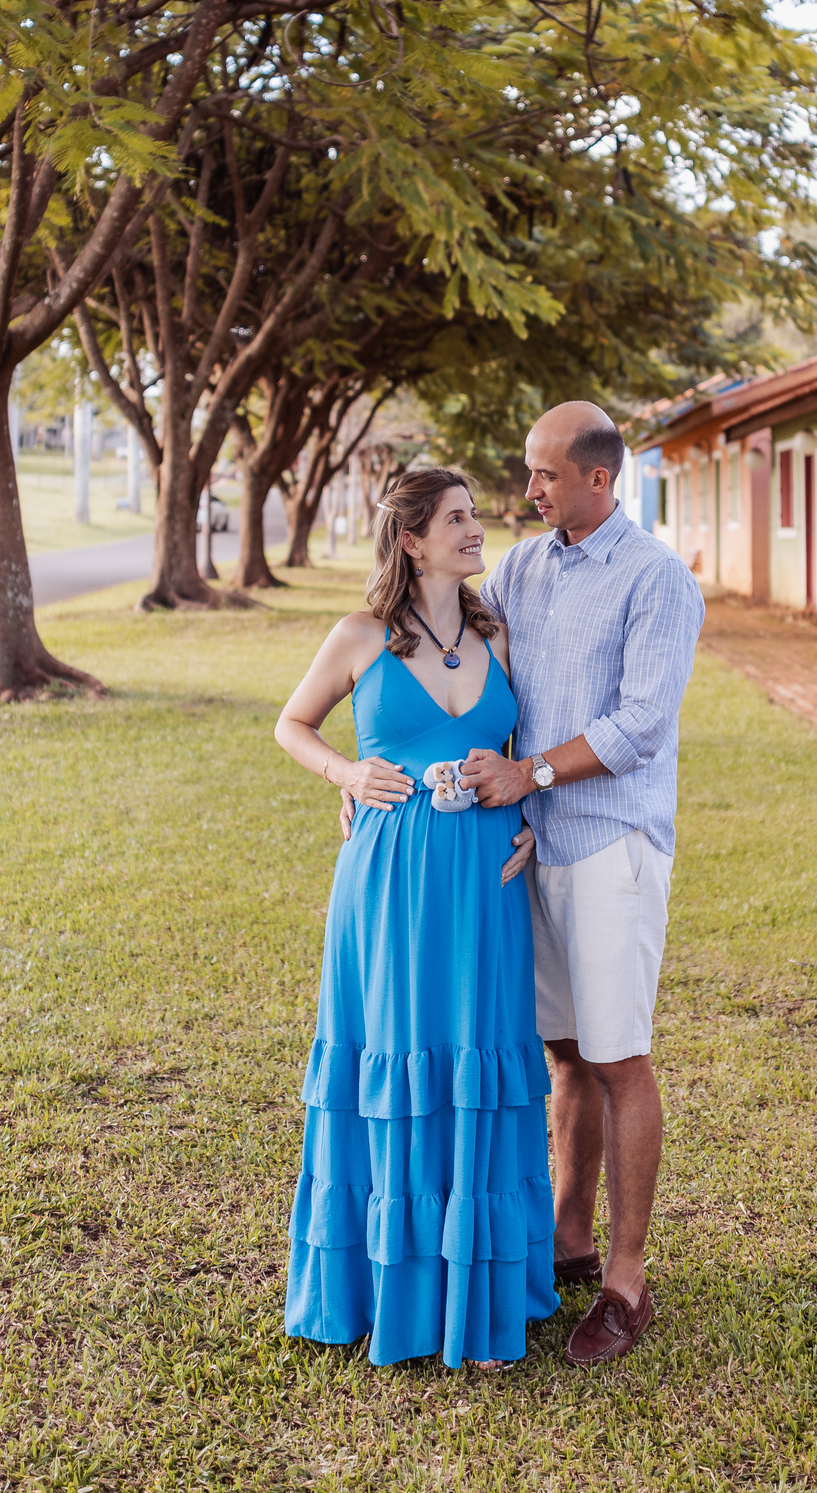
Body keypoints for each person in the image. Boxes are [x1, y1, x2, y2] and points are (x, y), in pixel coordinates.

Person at [274, 467, 558, 1370]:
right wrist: (348, 777)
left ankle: (477, 1284)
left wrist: (531, 825)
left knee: (475, 1061)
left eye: (476, 517)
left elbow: (520, 754)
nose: (478, 531)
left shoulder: (498, 634)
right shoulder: (358, 636)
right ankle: (382, 1288)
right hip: (387, 886)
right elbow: (293, 725)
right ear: (411, 540)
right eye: (459, 520)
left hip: (485, 882)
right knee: (395, 1058)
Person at [460, 402, 704, 1367]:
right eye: (528, 473)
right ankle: (569, 1242)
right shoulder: (523, 566)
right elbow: (462, 657)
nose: (529, 491)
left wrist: (535, 773)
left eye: (545, 476)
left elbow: (641, 722)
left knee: (618, 1058)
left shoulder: (658, 580)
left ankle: (627, 1283)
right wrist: (370, 773)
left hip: (611, 846)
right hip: (535, 849)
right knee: (564, 1055)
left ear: (600, 480)